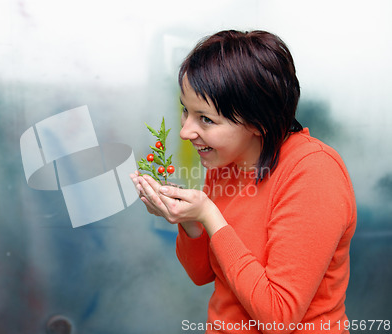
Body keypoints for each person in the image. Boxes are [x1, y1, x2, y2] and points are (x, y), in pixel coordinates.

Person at [130, 30, 356, 334]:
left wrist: (210, 214)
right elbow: (202, 274)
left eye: (205, 119)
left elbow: (278, 317)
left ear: (257, 122)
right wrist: (190, 221)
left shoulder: (313, 172)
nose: (185, 131)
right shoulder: (224, 163)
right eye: (186, 110)